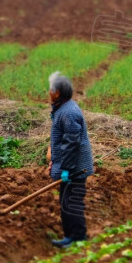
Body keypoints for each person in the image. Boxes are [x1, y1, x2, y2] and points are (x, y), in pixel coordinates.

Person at [47, 71, 94, 248]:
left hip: (75, 168)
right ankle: (71, 237)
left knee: (71, 204)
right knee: (66, 202)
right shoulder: (63, 109)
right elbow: (62, 143)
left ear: (57, 93)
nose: (48, 93)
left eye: (50, 90)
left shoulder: (68, 113)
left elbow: (71, 144)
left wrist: (66, 169)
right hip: (69, 165)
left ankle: (78, 238)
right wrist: (56, 162)